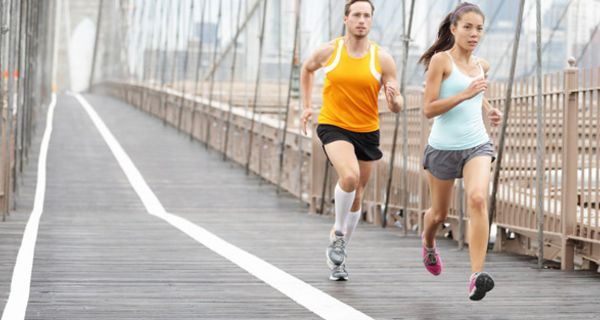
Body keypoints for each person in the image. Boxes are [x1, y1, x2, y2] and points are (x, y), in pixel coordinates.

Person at [300, 0, 403, 281]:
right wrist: (307, 106)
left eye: (366, 16)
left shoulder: (382, 58)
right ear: (346, 19)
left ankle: (339, 256)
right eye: (356, 15)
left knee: (358, 194)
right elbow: (307, 69)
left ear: (371, 21)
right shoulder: (329, 51)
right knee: (349, 178)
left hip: (368, 130)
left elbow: (398, 105)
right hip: (334, 125)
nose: (361, 20)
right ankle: (338, 233)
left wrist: (394, 100)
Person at [418, 2, 503, 300]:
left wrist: (490, 109)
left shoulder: (483, 65)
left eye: (479, 28)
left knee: (478, 198)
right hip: (442, 148)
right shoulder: (441, 61)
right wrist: (465, 93)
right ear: (453, 29)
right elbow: (429, 109)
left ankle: (476, 275)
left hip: (476, 144)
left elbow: (476, 95)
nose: (474, 33)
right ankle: (428, 242)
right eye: (467, 27)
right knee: (439, 214)